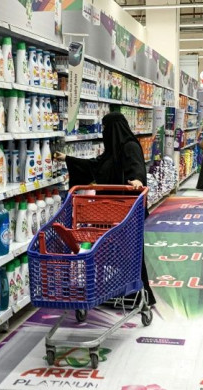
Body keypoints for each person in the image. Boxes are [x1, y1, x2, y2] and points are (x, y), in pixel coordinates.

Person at [53, 112, 156, 306]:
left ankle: (138, 294)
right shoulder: (110, 152)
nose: (104, 131)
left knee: (130, 253)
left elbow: (137, 168)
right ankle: (112, 290)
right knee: (107, 251)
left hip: (128, 211)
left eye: (106, 128)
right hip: (107, 212)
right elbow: (94, 166)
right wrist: (67, 158)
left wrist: (137, 180)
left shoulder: (131, 147)